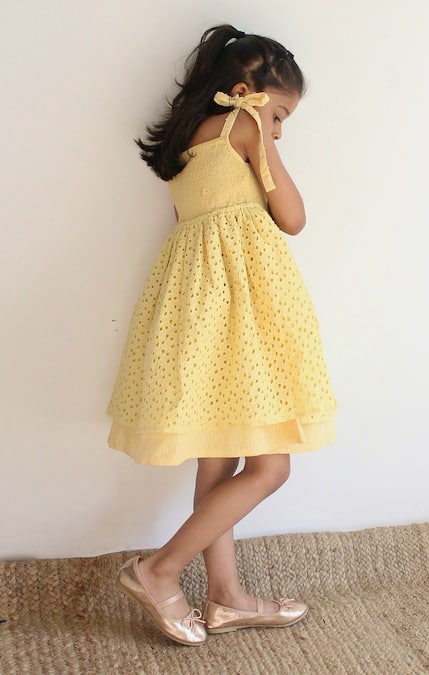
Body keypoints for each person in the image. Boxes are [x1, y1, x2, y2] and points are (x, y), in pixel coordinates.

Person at [107, 24, 337, 646]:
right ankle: (159, 569)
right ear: (244, 93)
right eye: (281, 114)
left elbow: (188, 222)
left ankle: (227, 597)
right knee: (269, 467)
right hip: (246, 315)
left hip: (199, 314)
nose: (280, 130)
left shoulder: (185, 148)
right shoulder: (244, 126)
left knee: (220, 459)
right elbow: (292, 218)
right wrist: (263, 134)